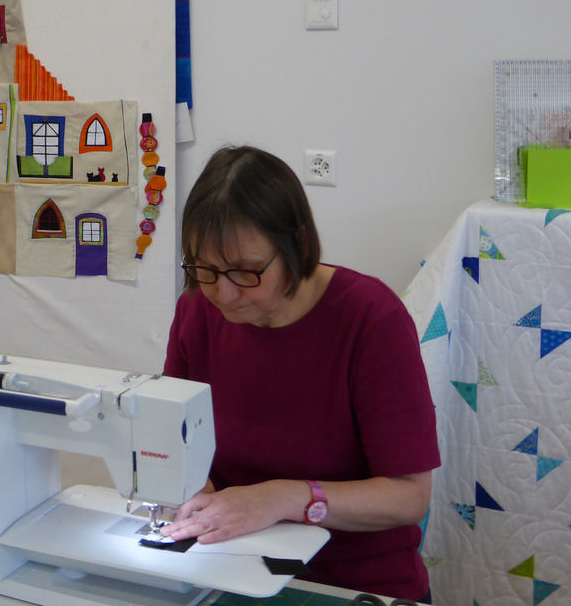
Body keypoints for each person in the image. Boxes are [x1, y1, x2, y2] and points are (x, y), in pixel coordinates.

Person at [160, 145, 439, 602]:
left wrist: (286, 498)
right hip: (231, 566)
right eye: (204, 269)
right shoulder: (197, 308)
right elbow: (177, 437)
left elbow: (409, 497)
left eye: (246, 272)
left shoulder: (371, 320)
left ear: (299, 244)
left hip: (352, 584)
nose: (223, 294)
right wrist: (193, 490)